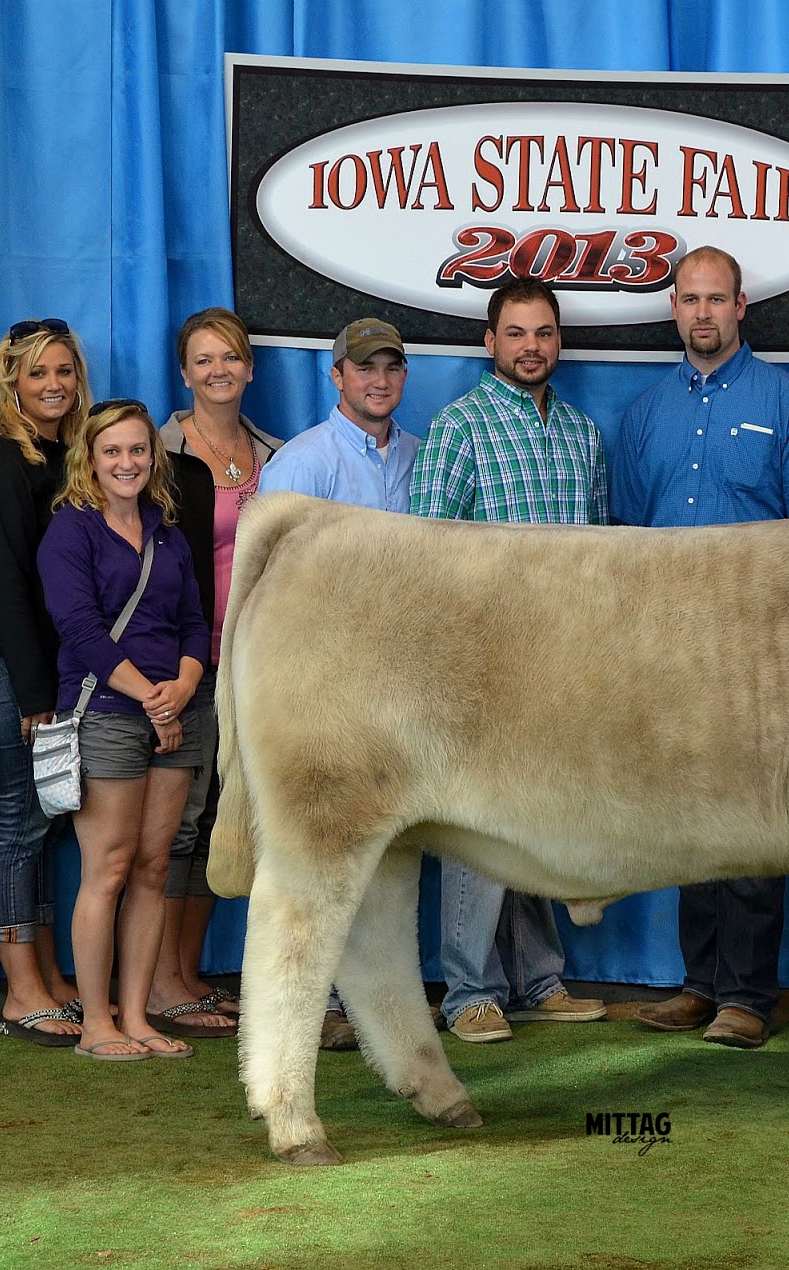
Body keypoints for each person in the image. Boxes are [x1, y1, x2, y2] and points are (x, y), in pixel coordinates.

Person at [612, 245, 789, 1048]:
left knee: (751, 820)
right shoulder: (645, 414)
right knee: (688, 817)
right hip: (671, 651)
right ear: (673, 309)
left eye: (717, 299)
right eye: (690, 299)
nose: (703, 312)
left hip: (759, 653)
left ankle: (747, 994)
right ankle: (699, 983)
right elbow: (629, 542)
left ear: (741, 306)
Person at [409, 277, 608, 1043]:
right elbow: (427, 557)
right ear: (490, 342)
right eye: (517, 333)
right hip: (485, 666)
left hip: (563, 667)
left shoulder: (583, 435)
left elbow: (600, 557)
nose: (532, 347)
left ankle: (539, 980)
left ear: (559, 341)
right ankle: (469, 993)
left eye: (544, 333)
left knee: (539, 825)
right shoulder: (459, 427)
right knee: (478, 829)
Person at [257, 316, 417, 1050]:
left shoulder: (418, 456)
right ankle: (309, 1002)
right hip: (320, 679)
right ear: (337, 376)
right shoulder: (302, 464)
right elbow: (271, 586)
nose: (378, 380)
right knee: (314, 842)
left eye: (390, 367)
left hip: (401, 681)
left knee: (381, 845)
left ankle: (367, 1002)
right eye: (364, 368)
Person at [38, 400, 209, 1060]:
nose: (127, 462)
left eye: (138, 450)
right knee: (107, 869)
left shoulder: (167, 532)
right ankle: (96, 1024)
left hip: (174, 712)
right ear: (90, 458)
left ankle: (137, 1017)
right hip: (108, 712)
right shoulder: (70, 532)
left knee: (153, 868)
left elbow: (194, 621)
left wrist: (183, 687)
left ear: (153, 457)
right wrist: (153, 700)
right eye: (112, 451)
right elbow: (79, 629)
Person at [147, 307, 284, 1039]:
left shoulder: (276, 456)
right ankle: (161, 982)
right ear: (184, 373)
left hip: (255, 664)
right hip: (187, 662)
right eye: (203, 360)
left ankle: (188, 974)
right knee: (180, 818)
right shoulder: (157, 453)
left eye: (229, 357)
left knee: (221, 822)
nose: (218, 370)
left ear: (250, 368)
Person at [0, 318, 93, 1046]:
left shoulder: (67, 454)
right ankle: (20, 994)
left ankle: (46, 978)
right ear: (11, 380)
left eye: (64, 371)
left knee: (44, 822)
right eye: (38, 372)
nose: (53, 385)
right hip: (14, 666)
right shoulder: (0, 465)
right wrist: (38, 696)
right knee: (17, 821)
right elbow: (8, 588)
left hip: (53, 668)